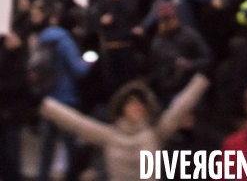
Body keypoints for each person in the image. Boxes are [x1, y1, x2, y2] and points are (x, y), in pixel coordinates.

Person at [40, 73, 210, 181]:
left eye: (140, 103)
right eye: (131, 103)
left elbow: (179, 109)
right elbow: (75, 122)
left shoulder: (156, 133)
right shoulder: (108, 135)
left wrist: (201, 81)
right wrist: (42, 104)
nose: (136, 107)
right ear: (122, 107)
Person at [37, 4, 91, 181]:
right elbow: (79, 70)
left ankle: (43, 177)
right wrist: (89, 62)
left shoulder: (44, 38)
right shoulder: (65, 41)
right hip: (65, 100)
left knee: (46, 150)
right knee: (70, 147)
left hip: (47, 99)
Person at [149, 3, 212, 106]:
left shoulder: (190, 35)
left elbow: (208, 59)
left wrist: (190, 64)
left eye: (169, 19)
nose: (166, 23)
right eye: (163, 20)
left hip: (190, 88)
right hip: (167, 91)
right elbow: (154, 69)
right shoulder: (156, 42)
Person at [95, 0, 143, 95]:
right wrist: (101, 20)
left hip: (126, 46)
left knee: (128, 83)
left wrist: (118, 1)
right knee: (112, 85)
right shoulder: (104, 0)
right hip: (110, 48)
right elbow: (96, 17)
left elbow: (130, 15)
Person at [0, 32, 36, 181]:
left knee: (10, 153)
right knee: (9, 153)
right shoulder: (10, 60)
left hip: (12, 114)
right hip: (10, 112)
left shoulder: (20, 59)